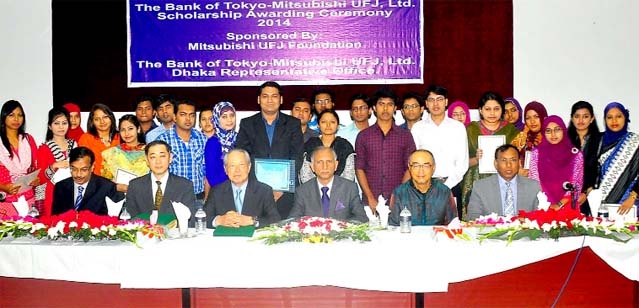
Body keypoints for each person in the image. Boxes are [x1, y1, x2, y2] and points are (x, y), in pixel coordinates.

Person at [235, 81, 304, 219]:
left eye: (274, 96)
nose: (270, 100)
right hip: (255, 189)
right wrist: (260, 187)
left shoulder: (293, 124)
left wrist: (282, 187)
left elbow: (297, 156)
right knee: (256, 229)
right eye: (265, 96)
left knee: (284, 230)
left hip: (285, 192)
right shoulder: (247, 124)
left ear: (281, 99)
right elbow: (243, 157)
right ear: (259, 99)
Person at [355, 87, 416, 212]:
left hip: (400, 200)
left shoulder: (405, 136)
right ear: (374, 108)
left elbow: (410, 167)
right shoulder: (363, 136)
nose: (385, 108)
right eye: (381, 104)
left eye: (390, 104)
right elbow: (359, 168)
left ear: (395, 109)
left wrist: (397, 196)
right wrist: (370, 197)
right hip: (370, 201)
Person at [411, 85, 468, 216]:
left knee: (452, 230)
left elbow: (462, 163)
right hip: (423, 187)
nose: (436, 104)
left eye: (440, 99)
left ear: (446, 102)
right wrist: (426, 185)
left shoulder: (458, 128)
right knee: (423, 228)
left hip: (452, 186)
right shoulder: (418, 128)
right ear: (426, 104)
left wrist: (445, 187)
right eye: (431, 100)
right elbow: (414, 161)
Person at [461, 91, 519, 218]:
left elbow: (518, 161)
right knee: (477, 219)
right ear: (480, 110)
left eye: (496, 109)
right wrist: (476, 159)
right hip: (475, 179)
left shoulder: (512, 131)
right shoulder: (469, 130)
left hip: (505, 181)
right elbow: (460, 163)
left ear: (502, 111)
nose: (492, 113)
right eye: (487, 109)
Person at [203, 149, 281, 228]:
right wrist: (218, 220)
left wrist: (252, 221)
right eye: (232, 166)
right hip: (225, 238)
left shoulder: (264, 191)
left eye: (241, 165)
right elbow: (202, 218)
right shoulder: (216, 191)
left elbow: (275, 220)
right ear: (225, 169)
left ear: (249, 167)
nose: (237, 170)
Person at [125, 140, 196, 225]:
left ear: (170, 158)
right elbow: (130, 218)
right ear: (147, 161)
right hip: (144, 235)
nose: (158, 161)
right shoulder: (135, 185)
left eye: (162, 156)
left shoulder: (184, 185)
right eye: (153, 157)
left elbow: (190, 220)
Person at [290, 146, 367, 222]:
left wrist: (339, 227)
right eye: (320, 162)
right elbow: (293, 220)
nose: (325, 167)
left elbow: (361, 218)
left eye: (329, 162)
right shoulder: (302, 191)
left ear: (336, 165)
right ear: (312, 166)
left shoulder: (349, 188)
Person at [587, 102, 639, 215]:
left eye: (618, 116)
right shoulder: (597, 140)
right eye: (609, 117)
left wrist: (633, 197)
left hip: (629, 203)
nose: (614, 121)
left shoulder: (636, 142)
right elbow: (587, 168)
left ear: (625, 118)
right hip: (599, 204)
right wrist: (590, 191)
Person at [467, 144, 541, 220]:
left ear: (519, 163)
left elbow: (541, 219)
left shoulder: (533, 186)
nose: (508, 165)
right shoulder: (480, 187)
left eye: (513, 160)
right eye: (503, 160)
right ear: (496, 164)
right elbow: (473, 218)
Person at [157, 99, 208, 206]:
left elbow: (206, 171)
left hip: (198, 198)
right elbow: (157, 173)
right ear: (175, 117)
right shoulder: (163, 141)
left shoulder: (203, 139)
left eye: (192, 115)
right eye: (183, 114)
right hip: (171, 199)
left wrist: (207, 198)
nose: (188, 119)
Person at [529, 115, 583, 211]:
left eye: (557, 130)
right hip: (543, 205)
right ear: (544, 133)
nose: (553, 134)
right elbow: (534, 180)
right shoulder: (536, 153)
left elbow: (576, 184)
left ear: (563, 130)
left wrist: (559, 204)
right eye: (548, 131)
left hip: (567, 206)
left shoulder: (575, 154)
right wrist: (546, 204)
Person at [389, 149, 457, 226]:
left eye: (426, 166)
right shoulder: (399, 193)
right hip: (407, 237)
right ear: (409, 167)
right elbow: (393, 227)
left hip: (437, 236)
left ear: (433, 168)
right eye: (416, 166)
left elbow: (453, 225)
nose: (421, 171)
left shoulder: (444, 192)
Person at [51, 147, 124, 215]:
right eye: (74, 169)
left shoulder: (107, 187)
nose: (78, 174)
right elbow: (55, 218)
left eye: (84, 169)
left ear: (92, 167)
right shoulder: (60, 187)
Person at [0, 100, 39, 217]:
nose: (16, 119)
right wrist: (4, 187)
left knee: (29, 233)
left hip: (28, 198)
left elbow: (36, 168)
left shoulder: (28, 139)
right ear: (4, 117)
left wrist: (36, 180)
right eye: (11, 115)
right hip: (5, 200)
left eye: (20, 115)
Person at [37, 107, 77, 218]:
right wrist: (54, 166)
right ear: (50, 126)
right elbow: (40, 178)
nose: (61, 127)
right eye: (56, 123)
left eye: (64, 123)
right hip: (52, 192)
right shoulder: (44, 148)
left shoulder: (74, 145)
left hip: (73, 190)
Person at [300, 110, 355, 184]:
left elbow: (349, 174)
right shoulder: (310, 144)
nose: (328, 125)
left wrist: (337, 190)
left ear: (338, 125)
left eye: (332, 122)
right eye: (324, 122)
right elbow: (305, 174)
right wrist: (317, 189)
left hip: (341, 191)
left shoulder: (345, 145)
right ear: (318, 125)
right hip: (313, 191)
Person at [567, 100, 602, 215]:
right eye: (577, 116)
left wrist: (586, 193)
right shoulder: (564, 141)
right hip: (567, 195)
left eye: (585, 116)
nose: (581, 120)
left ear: (592, 119)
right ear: (572, 119)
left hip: (592, 195)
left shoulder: (601, 140)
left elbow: (599, 170)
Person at [101, 115, 148, 193]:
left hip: (143, 195)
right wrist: (115, 187)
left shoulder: (149, 152)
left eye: (130, 129)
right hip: (117, 196)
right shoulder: (111, 153)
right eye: (123, 130)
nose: (127, 133)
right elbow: (105, 181)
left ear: (138, 129)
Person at [78, 103, 120, 176]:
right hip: (95, 182)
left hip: (118, 183)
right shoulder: (86, 138)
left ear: (111, 118)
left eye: (105, 117)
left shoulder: (121, 137)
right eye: (97, 119)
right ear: (92, 122)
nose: (102, 122)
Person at [205, 101, 237, 188]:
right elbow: (211, 175)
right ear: (216, 119)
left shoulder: (240, 138)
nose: (229, 120)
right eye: (224, 117)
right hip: (221, 191)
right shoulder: (213, 143)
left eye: (232, 115)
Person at [511, 101, 548, 176]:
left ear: (543, 117)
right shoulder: (521, 138)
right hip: (524, 182)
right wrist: (517, 170)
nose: (532, 121)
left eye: (536, 117)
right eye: (528, 118)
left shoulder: (551, 137)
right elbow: (509, 158)